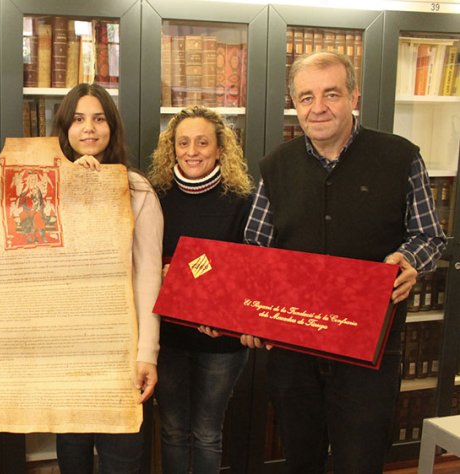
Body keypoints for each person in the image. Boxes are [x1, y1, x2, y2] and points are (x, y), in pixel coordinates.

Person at [243, 51, 446, 474]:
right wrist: (249, 314)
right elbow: (256, 250)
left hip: (369, 351)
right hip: (293, 350)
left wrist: (408, 261)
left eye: (331, 94)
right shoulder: (274, 167)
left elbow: (429, 235)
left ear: (354, 96)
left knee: (361, 460)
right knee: (301, 458)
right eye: (305, 97)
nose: (318, 107)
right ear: (294, 104)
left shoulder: (401, 157)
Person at [52, 83, 163, 473]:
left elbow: (149, 278)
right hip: (68, 355)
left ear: (112, 128)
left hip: (120, 352)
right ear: (64, 129)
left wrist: (146, 354)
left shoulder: (137, 190)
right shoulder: (45, 191)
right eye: (78, 119)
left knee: (123, 460)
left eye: (99, 119)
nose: (89, 129)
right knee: (72, 457)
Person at [147, 106, 253, 473]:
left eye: (203, 142)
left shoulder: (243, 202)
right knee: (174, 429)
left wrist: (222, 313)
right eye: (183, 142)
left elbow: (250, 274)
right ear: (172, 149)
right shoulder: (155, 199)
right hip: (170, 338)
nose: (192, 151)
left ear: (220, 149)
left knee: (208, 432)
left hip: (221, 343)